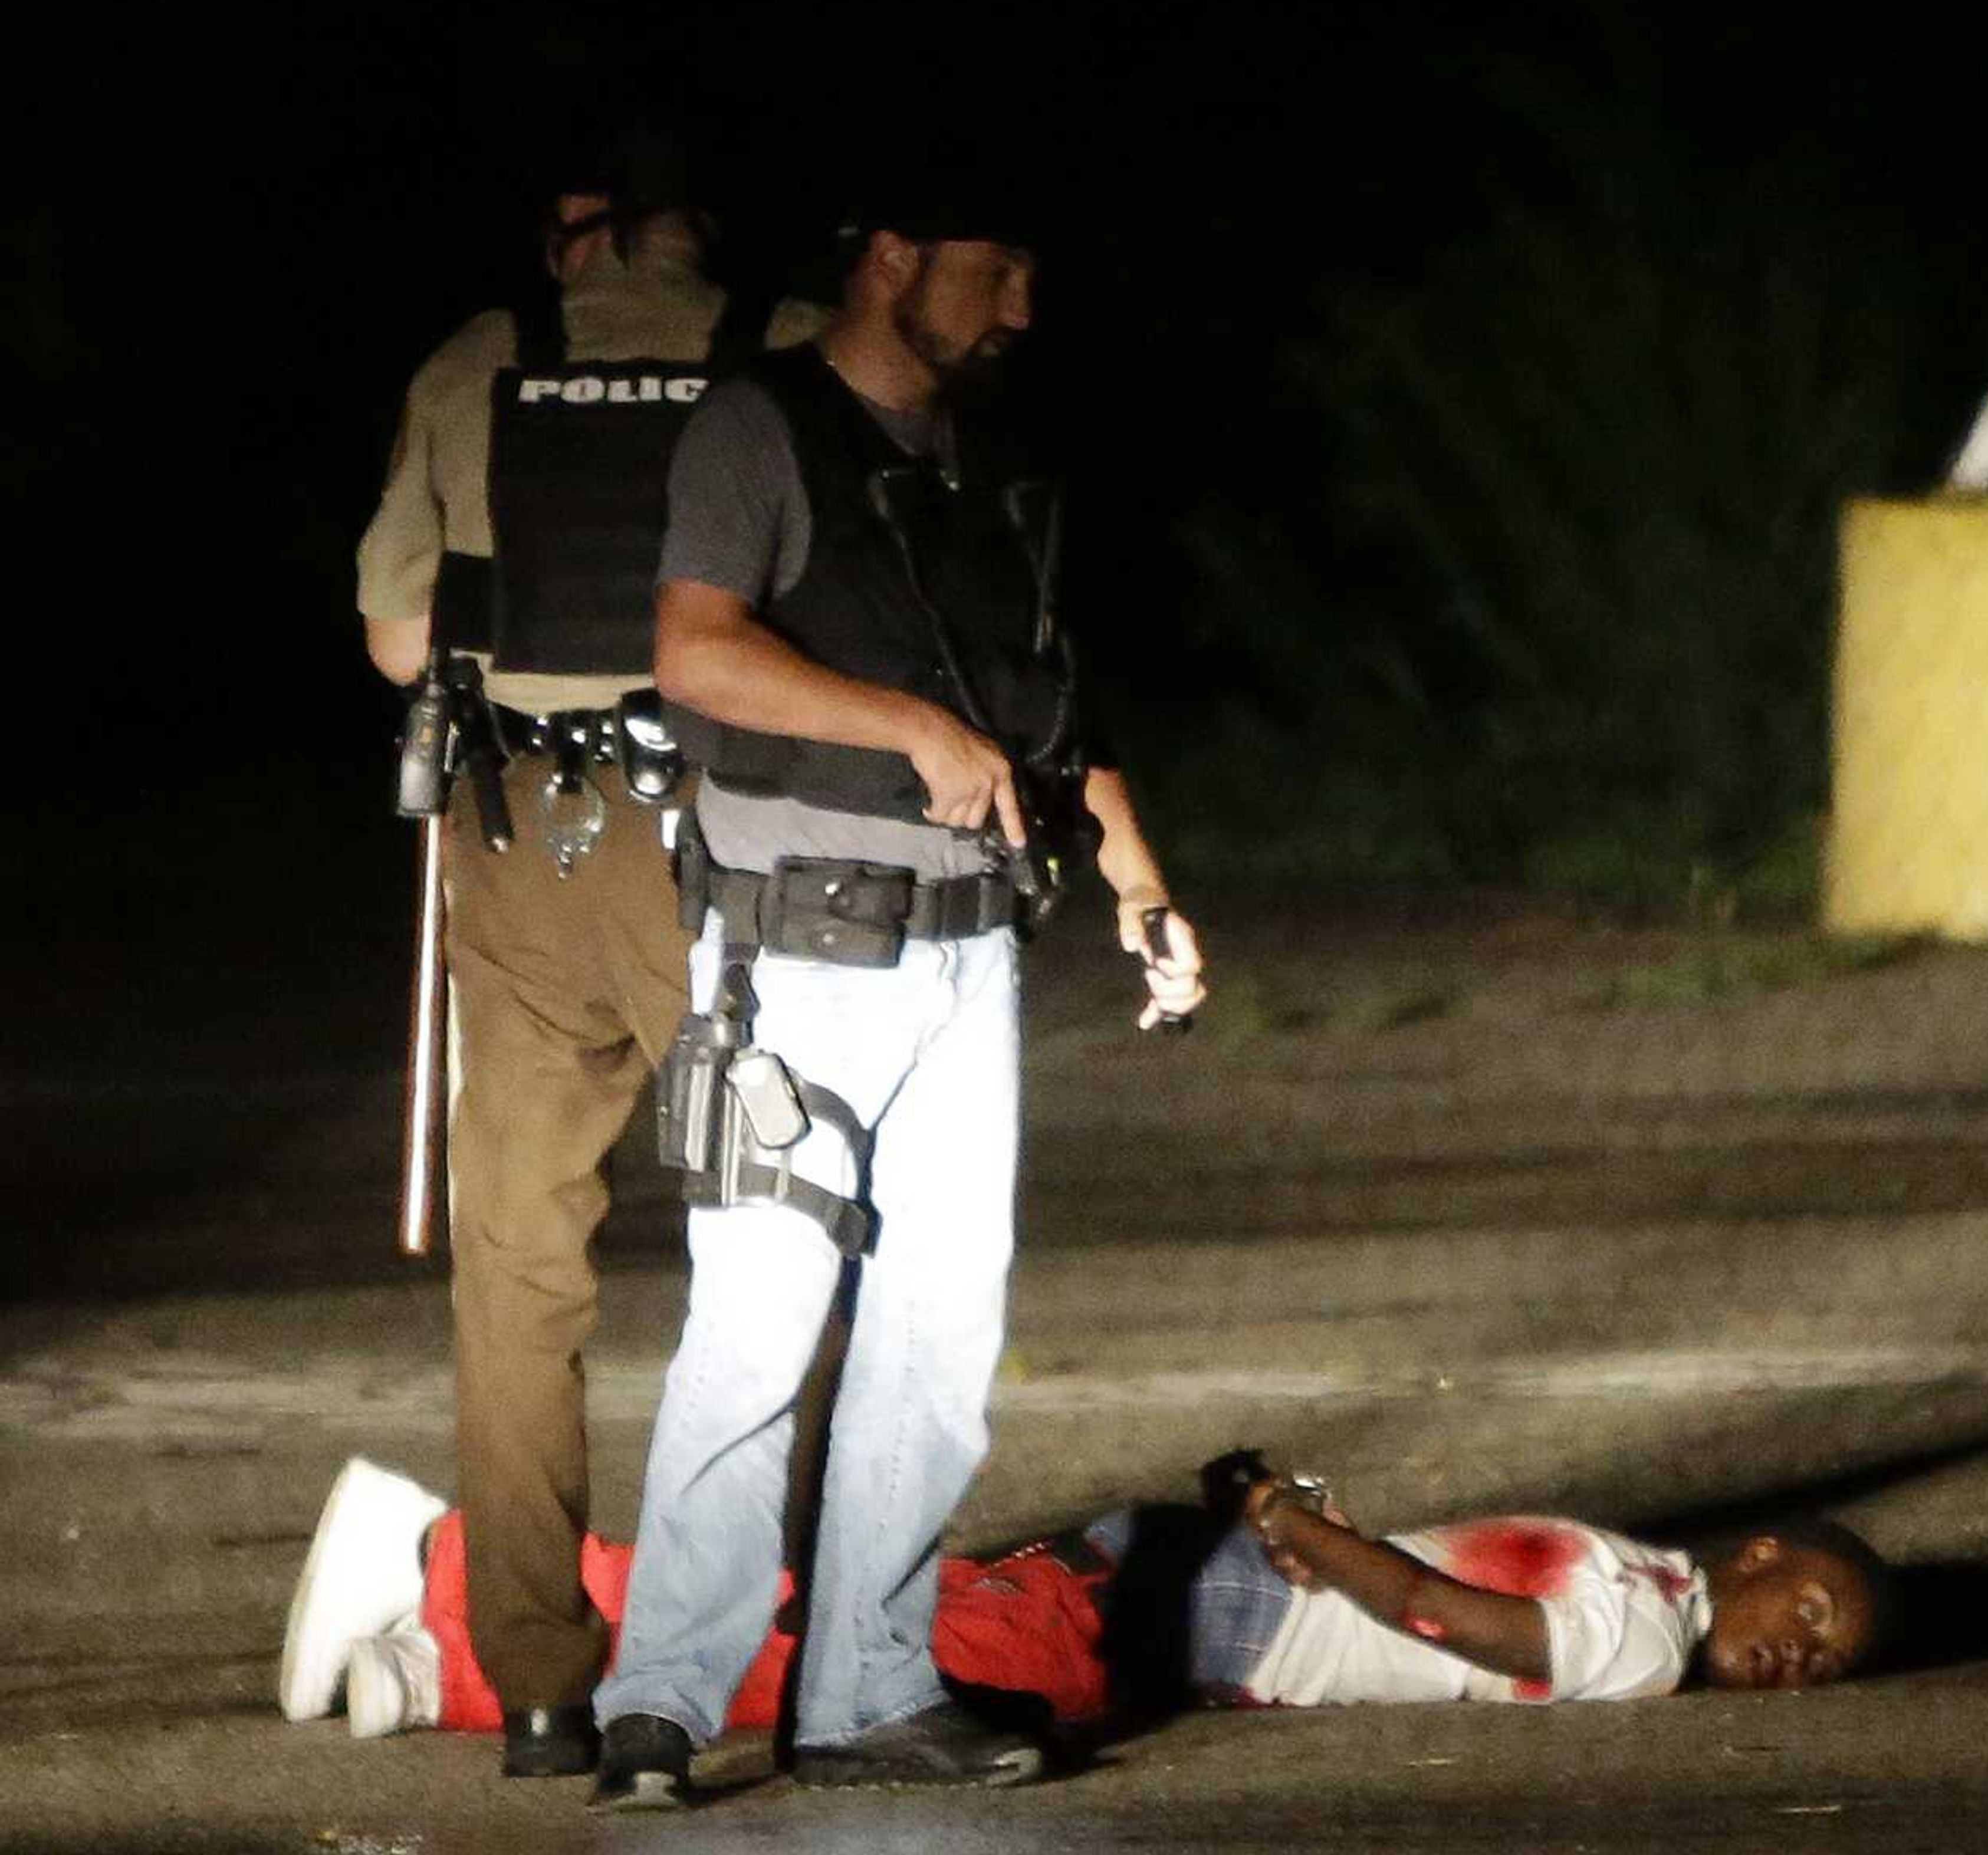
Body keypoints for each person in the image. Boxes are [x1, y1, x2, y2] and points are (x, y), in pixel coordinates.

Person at [584, 192, 1208, 1805]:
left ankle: (867, 1689)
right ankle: (660, 1698)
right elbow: (699, 655)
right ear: (891, 259)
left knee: (941, 1342)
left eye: (1030, 275)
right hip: (791, 956)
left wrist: (1138, 878)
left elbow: (1058, 703)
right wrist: (906, 731)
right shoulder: (761, 428)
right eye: (995, 270)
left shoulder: (992, 462)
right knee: (758, 1324)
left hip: (968, 950)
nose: (1018, 310)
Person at [339, 134, 811, 1780]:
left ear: (573, 231)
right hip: (738, 843)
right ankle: (796, 1639)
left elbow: (402, 637)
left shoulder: (481, 362)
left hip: (522, 841)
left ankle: (541, 1679)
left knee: (521, 1274)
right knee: (791, 1233)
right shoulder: (793, 349)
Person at [279, 1455, 1892, 1757]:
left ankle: (444, 1669)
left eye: (1828, 1670)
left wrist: (1284, 1528)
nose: (1800, 1663)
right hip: (1210, 1621)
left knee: (820, 1665)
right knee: (839, 1657)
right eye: (1818, 1615)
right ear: (1761, 1558)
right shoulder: (1643, 1633)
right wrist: (1305, 1541)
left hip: (1198, 1602)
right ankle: (446, 1555)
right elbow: (1462, 1623)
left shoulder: (1650, 1578)